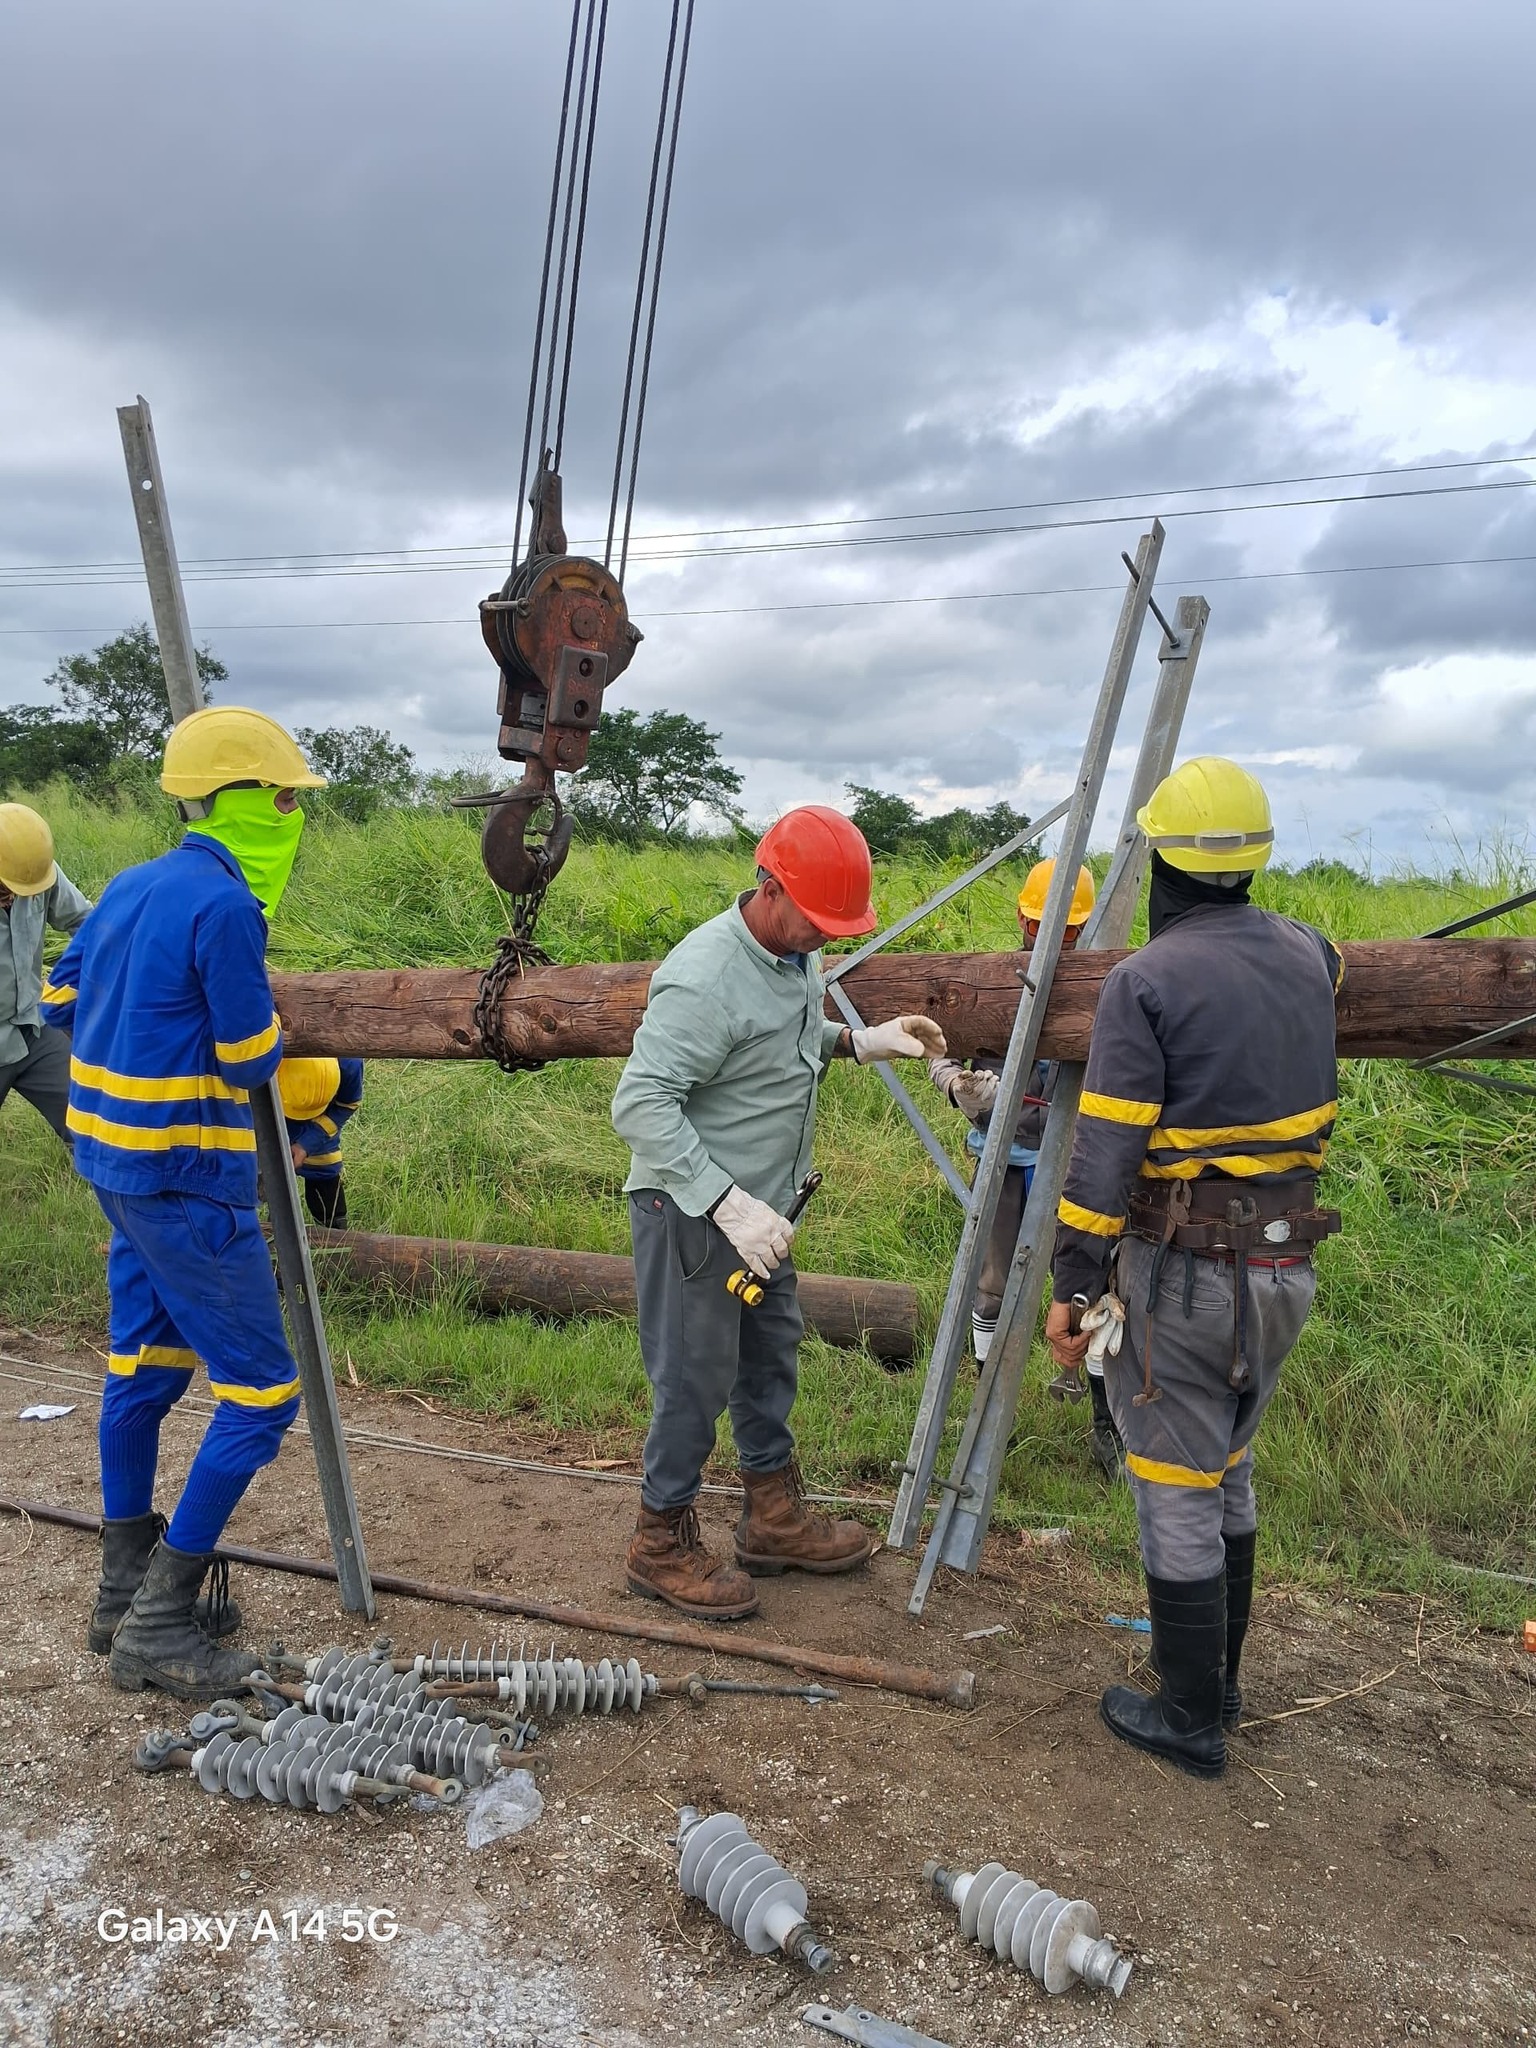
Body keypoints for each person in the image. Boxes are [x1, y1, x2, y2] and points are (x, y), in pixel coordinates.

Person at [1044, 758, 1342, 1779]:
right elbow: (1334, 956)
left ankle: (1187, 1715)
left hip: (1185, 1272)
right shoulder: (1308, 953)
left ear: (1161, 858)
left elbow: (1107, 1150)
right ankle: (1219, 1681)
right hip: (1284, 1267)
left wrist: (1074, 1283)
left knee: (1175, 1473)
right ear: (1254, 858)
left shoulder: (1144, 982)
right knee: (1229, 1464)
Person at [43, 706, 327, 1698]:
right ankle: (161, 1623)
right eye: (287, 796)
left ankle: (119, 1593)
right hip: (187, 1178)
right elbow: (252, 1054)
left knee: (144, 1369)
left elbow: (60, 997)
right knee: (260, 1391)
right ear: (247, 799)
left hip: (113, 1169)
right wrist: (281, 1023)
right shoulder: (226, 908)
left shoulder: (127, 884)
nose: (295, 812)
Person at [611, 804, 947, 1619]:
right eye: (814, 919)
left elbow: (771, 1041)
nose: (821, 937)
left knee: (769, 1359)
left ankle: (771, 1517)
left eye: (836, 925)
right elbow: (640, 1103)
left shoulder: (792, 957)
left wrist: (858, 1042)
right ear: (768, 888)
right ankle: (659, 1542)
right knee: (693, 1382)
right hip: (695, 1211)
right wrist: (726, 1205)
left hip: (765, 1214)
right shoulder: (704, 975)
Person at [925, 859, 1125, 1476]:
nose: (1052, 941)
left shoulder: (1108, 982)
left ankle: (1106, 1429)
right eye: (1043, 926)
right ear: (1021, 916)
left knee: (1097, 1288)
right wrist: (959, 1085)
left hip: (1080, 1162)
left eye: (1066, 931)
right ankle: (988, 1408)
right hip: (1004, 1155)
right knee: (992, 1283)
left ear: (1084, 928)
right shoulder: (989, 981)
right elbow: (938, 1051)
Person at [0, 802, 92, 1144]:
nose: (13, 897)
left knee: (88, 1120)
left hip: (32, 1026)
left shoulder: (33, 871)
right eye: (4, 888)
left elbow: (86, 923)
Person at [279, 1056, 364, 1228]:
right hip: (270, 1110)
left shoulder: (349, 1062)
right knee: (259, 1178)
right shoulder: (265, 1053)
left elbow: (348, 1104)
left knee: (324, 1176)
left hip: (321, 1119)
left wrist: (308, 1143)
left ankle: (334, 1233)